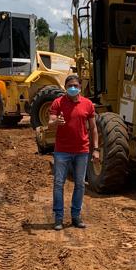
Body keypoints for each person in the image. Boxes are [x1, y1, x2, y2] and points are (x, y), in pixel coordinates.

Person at [47, 74, 99, 230]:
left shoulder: (88, 104)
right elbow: (50, 123)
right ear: (65, 87)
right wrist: (56, 122)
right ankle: (58, 218)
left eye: (75, 85)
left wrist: (96, 149)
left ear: (80, 87)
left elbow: (93, 128)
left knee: (80, 184)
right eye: (70, 86)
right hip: (62, 151)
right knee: (58, 183)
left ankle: (76, 216)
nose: (73, 88)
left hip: (82, 151)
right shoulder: (58, 103)